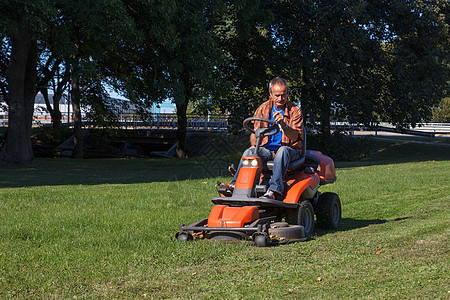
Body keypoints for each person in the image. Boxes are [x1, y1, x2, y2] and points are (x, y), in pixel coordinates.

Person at [224, 77, 304, 200]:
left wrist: (283, 124)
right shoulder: (263, 108)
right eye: (277, 95)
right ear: (270, 94)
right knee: (249, 152)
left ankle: (273, 190)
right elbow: (255, 133)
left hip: (290, 150)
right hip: (267, 150)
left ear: (287, 93)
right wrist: (253, 146)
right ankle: (235, 186)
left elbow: (295, 137)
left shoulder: (295, 111)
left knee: (282, 151)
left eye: (283, 95)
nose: (280, 99)